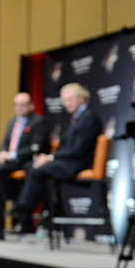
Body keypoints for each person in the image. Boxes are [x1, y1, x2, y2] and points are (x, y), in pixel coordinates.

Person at [8, 83, 102, 232]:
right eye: (64, 100)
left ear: (81, 99)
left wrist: (50, 158)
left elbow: (78, 150)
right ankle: (41, 215)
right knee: (29, 167)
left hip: (78, 164)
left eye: (69, 99)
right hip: (67, 162)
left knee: (38, 170)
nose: (66, 104)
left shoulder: (89, 118)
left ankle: (24, 207)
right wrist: (48, 158)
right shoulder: (76, 118)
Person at [0, 93, 48, 239]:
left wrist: (12, 155)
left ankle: (17, 202)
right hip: (11, 163)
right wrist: (2, 153)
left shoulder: (38, 122)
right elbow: (5, 143)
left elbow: (35, 147)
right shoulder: (12, 121)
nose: (19, 108)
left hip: (26, 162)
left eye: (23, 104)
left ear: (31, 105)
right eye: (16, 104)